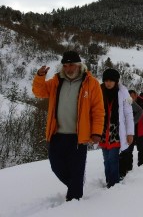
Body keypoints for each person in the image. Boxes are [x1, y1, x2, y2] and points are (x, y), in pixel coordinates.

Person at [32, 51, 104, 201]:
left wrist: (96, 132)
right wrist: (40, 76)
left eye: (71, 65)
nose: (68, 68)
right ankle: (76, 185)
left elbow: (98, 110)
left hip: (79, 137)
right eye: (65, 65)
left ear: (79, 65)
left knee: (76, 171)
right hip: (57, 134)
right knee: (56, 166)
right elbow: (38, 92)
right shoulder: (56, 81)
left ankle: (74, 203)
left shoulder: (91, 83)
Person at [99, 68, 134, 188]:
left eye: (111, 80)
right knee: (106, 159)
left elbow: (129, 114)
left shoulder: (123, 93)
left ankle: (113, 183)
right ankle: (109, 180)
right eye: (106, 80)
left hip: (116, 131)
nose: (108, 83)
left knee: (113, 158)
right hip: (103, 131)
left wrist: (130, 133)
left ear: (116, 81)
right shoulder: (99, 91)